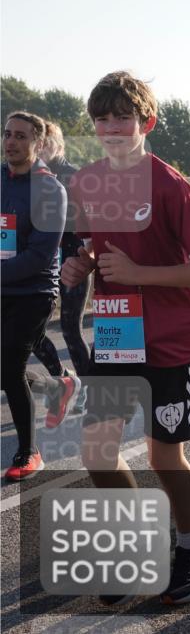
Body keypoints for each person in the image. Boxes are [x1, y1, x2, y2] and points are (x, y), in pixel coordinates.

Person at [61, 71, 190, 604]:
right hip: (115, 336)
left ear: (146, 123)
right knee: (97, 454)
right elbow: (94, 246)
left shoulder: (169, 184)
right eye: (102, 119)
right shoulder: (86, 182)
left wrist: (139, 274)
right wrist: (81, 264)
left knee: (164, 457)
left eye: (123, 118)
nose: (112, 128)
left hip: (171, 342)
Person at [2, 111, 68, 481]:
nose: (11, 142)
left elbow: (40, 256)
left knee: (9, 367)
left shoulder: (49, 189)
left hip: (34, 292)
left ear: (38, 143)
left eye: (21, 136)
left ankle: (29, 453)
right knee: (5, 368)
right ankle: (54, 387)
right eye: (7, 134)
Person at [30, 120, 89, 416]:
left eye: (48, 142)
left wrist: (86, 258)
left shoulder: (74, 176)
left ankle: (90, 390)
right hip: (41, 262)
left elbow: (90, 223)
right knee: (32, 332)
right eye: (38, 142)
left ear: (59, 145)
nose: (42, 148)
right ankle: (64, 379)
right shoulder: (29, 177)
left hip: (72, 258)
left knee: (69, 329)